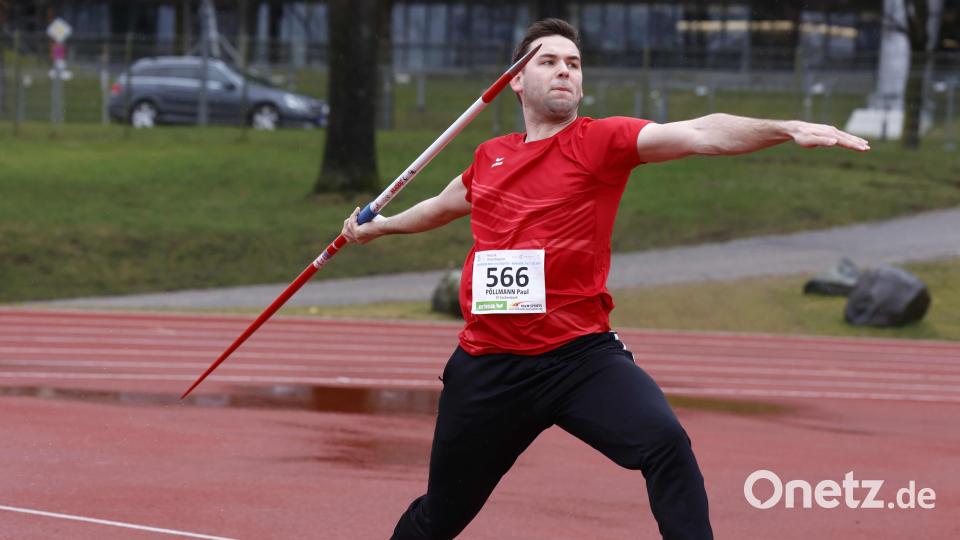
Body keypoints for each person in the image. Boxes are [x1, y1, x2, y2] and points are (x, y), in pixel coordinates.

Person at [342, 18, 869, 540]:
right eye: (548, 61)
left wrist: (783, 129)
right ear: (517, 81)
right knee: (440, 517)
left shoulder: (601, 142)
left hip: (578, 358)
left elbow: (700, 132)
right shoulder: (491, 156)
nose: (564, 71)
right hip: (488, 369)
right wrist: (381, 227)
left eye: (573, 63)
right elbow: (443, 205)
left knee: (665, 443)